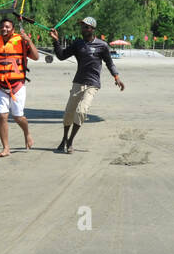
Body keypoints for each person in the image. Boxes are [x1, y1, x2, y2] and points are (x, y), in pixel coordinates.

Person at [50, 16, 124, 154]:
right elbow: (61, 55)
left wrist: (117, 77)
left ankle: (70, 141)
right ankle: (64, 139)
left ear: (92, 29)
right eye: (82, 26)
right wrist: (55, 41)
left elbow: (109, 63)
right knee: (68, 114)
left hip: (93, 84)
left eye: (86, 26)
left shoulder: (102, 45)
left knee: (81, 111)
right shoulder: (78, 44)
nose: (83, 29)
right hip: (78, 82)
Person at [0, 16, 39, 157]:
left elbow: (35, 56)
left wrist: (28, 40)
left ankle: (27, 133)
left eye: (7, 27)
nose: (4, 29)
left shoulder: (20, 41)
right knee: (2, 116)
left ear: (13, 29)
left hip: (17, 85)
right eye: (2, 27)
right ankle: (6, 148)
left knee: (18, 116)